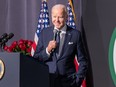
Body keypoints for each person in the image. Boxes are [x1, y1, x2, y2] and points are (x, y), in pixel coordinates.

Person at [33, 4, 88, 87]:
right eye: (54, 16)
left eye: (60, 17)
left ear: (66, 17)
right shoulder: (44, 33)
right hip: (48, 81)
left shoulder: (75, 35)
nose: (57, 20)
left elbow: (83, 61)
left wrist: (77, 81)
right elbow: (36, 58)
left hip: (68, 83)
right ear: (51, 17)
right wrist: (47, 50)